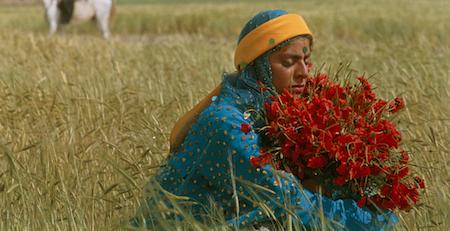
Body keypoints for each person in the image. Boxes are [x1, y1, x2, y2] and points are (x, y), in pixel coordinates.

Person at [132, 9, 398, 230]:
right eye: (289, 62)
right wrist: (369, 220)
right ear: (258, 66)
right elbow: (287, 201)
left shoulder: (271, 113)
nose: (304, 72)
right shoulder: (227, 123)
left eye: (306, 60)